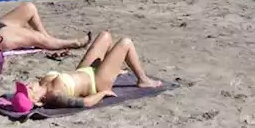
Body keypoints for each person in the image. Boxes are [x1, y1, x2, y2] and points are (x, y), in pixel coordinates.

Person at [23, 30, 162, 109]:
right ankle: (143, 80)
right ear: (36, 101)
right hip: (96, 82)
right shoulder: (54, 95)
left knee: (105, 36)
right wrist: (103, 93)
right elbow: (85, 103)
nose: (27, 85)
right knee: (126, 43)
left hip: (84, 71)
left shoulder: (42, 82)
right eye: (27, 91)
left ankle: (114, 68)